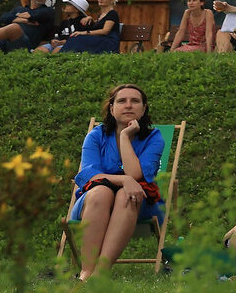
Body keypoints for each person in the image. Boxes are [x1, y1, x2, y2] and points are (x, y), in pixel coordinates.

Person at [69, 83, 167, 281]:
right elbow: (90, 176)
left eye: (135, 101)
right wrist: (124, 179)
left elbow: (136, 175)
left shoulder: (154, 138)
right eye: (122, 101)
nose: (128, 105)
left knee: (126, 194)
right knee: (101, 192)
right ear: (112, 108)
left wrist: (124, 136)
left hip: (139, 202)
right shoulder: (95, 136)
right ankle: (86, 273)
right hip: (94, 202)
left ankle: (99, 274)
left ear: (144, 108)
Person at [53, 0, 123, 54]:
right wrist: (89, 18)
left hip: (109, 42)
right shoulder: (100, 15)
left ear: (112, 0)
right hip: (100, 40)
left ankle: (62, 56)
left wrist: (84, 33)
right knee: (75, 38)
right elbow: (96, 26)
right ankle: (63, 56)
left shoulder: (112, 13)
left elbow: (105, 31)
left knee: (77, 38)